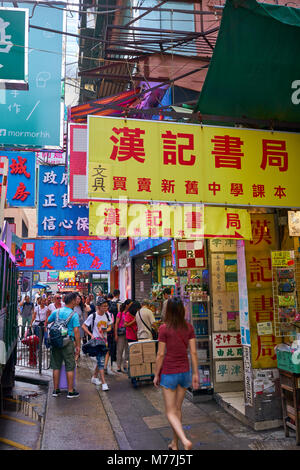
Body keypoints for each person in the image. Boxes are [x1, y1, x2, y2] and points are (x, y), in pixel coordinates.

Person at [153, 297, 199, 451]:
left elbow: (160, 354)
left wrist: (155, 374)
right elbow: (193, 352)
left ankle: (185, 440)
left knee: (170, 412)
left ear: (168, 311)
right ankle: (175, 443)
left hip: (169, 373)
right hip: (185, 372)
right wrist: (195, 374)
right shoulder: (189, 328)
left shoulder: (164, 328)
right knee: (178, 410)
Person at [45, 292, 81, 398]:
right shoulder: (73, 315)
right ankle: (70, 391)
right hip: (68, 342)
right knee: (70, 366)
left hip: (55, 341)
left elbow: (48, 321)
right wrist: (78, 345)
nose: (77, 301)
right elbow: (76, 331)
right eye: (76, 299)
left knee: (56, 366)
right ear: (73, 301)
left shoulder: (56, 311)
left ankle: (56, 390)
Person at [82, 298, 112, 391]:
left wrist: (106, 330)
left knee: (100, 361)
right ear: (98, 307)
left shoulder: (107, 315)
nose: (105, 308)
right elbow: (83, 326)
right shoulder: (93, 316)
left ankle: (94, 377)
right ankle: (104, 383)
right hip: (97, 342)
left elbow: (110, 326)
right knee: (101, 361)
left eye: (106, 306)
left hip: (104, 341)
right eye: (103, 306)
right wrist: (91, 335)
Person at [114, 299, 132, 373]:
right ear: (127, 305)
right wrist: (115, 334)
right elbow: (116, 324)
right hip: (121, 334)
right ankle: (118, 366)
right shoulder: (120, 313)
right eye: (130, 304)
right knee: (120, 350)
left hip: (128, 333)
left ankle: (125, 365)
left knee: (127, 350)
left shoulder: (130, 313)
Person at [73, 294, 86, 366]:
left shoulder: (82, 307)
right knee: (73, 343)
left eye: (79, 299)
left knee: (78, 343)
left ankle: (76, 358)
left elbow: (84, 318)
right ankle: (74, 356)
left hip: (80, 326)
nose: (78, 300)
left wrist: (85, 328)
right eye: (76, 299)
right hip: (72, 327)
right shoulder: (71, 307)